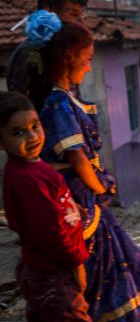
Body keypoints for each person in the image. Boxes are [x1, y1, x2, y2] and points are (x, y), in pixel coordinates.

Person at [29, 21, 140, 322]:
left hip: (88, 205)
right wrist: (101, 188)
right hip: (82, 206)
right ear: (68, 58)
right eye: (87, 60)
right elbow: (78, 158)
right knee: (107, 276)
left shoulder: (59, 100)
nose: (88, 68)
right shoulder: (58, 103)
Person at [0, 91, 92, 322]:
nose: (32, 137)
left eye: (35, 126)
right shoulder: (27, 179)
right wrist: (76, 263)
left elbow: (49, 208)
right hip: (53, 274)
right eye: (18, 132)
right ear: (1, 142)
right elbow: (51, 232)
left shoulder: (34, 166)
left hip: (41, 270)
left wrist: (72, 209)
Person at [7, 0, 87, 97]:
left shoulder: (56, 50)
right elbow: (22, 104)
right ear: (48, 10)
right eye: (73, 14)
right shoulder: (31, 52)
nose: (80, 23)